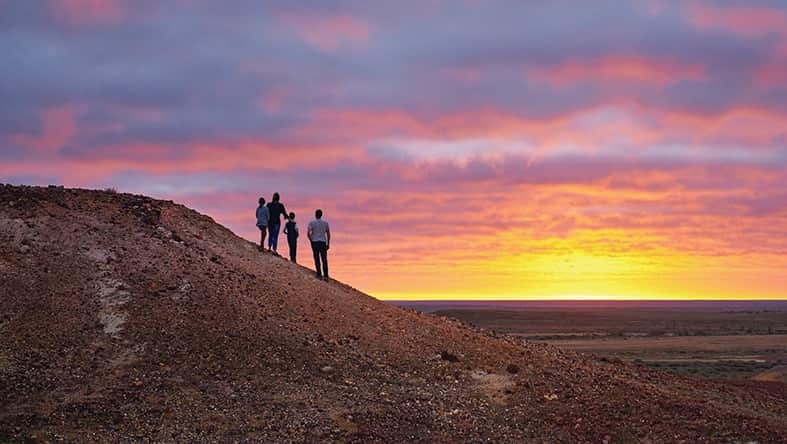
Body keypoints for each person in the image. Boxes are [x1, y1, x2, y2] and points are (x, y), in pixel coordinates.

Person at [307, 209, 330, 281]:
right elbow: (328, 234)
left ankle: (319, 274)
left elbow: (308, 233)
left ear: (315, 214)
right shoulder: (325, 223)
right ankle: (326, 275)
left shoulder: (312, 223)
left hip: (315, 242)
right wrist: (328, 243)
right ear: (321, 215)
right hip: (323, 242)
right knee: (324, 259)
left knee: (316, 258)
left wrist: (311, 240)